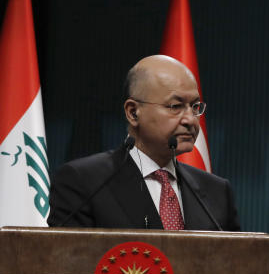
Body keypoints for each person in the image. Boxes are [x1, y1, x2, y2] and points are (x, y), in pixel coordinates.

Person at [47, 55, 239, 231]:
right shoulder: (83, 182)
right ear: (133, 112)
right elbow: (67, 264)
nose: (190, 120)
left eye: (195, 106)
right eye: (175, 106)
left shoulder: (216, 192)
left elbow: (239, 264)